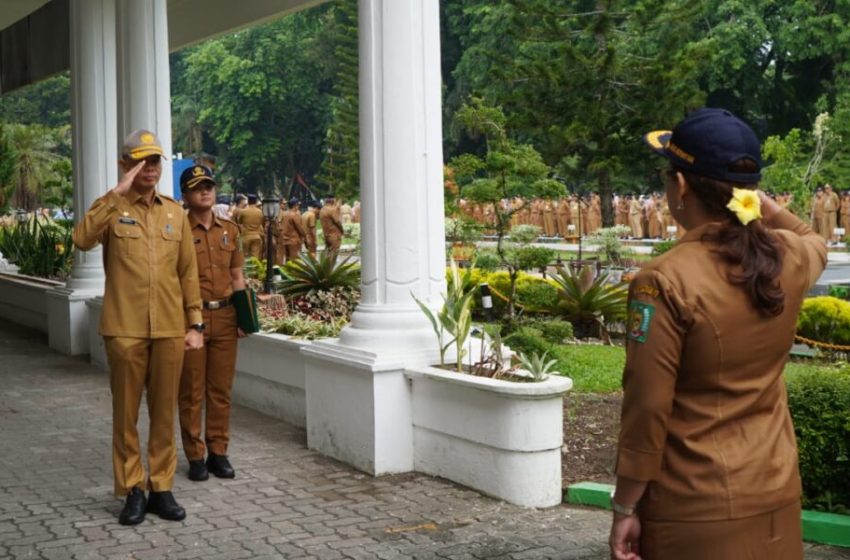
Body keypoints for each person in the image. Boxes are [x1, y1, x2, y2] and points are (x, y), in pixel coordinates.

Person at [610, 108, 826, 560]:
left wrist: (626, 503)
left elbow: (648, 408)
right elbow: (814, 240)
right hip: (775, 491)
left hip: (693, 505)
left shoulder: (663, 280)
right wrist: (762, 207)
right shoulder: (787, 257)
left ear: (682, 186)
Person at [72, 129, 204, 525]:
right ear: (126, 165)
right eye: (142, 161)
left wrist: (195, 322)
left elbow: (187, 273)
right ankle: (132, 489)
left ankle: (161, 488)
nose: (151, 168)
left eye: (156, 161)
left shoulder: (174, 213)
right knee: (125, 414)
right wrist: (117, 192)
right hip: (125, 328)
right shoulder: (112, 209)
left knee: (164, 412)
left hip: (168, 328)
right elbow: (81, 238)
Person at [177, 165, 247, 483]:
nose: (205, 191)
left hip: (227, 316)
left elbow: (237, 277)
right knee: (192, 392)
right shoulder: (177, 230)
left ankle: (219, 452)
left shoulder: (230, 230)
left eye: (209, 186)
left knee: (220, 390)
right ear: (186, 195)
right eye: (197, 187)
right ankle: (195, 456)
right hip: (193, 319)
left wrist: (244, 318)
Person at [277, 197, 306, 263]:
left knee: (288, 259)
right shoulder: (294, 215)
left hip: (285, 240)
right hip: (294, 241)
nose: (298, 207)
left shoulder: (284, 214)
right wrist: (305, 235)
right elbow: (300, 228)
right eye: (298, 205)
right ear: (295, 206)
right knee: (295, 260)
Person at [236, 194, 264, 259]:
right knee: (255, 257)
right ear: (256, 201)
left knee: (245, 256)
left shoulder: (243, 211)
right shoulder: (260, 212)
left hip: (246, 236)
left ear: (248, 201)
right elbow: (263, 223)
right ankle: (254, 269)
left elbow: (239, 222)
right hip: (257, 236)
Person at [319, 194, 344, 262]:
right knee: (334, 254)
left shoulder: (322, 209)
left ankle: (326, 269)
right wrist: (342, 230)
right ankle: (330, 269)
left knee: (328, 253)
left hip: (326, 234)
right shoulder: (331, 210)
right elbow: (338, 222)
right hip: (334, 235)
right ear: (332, 200)